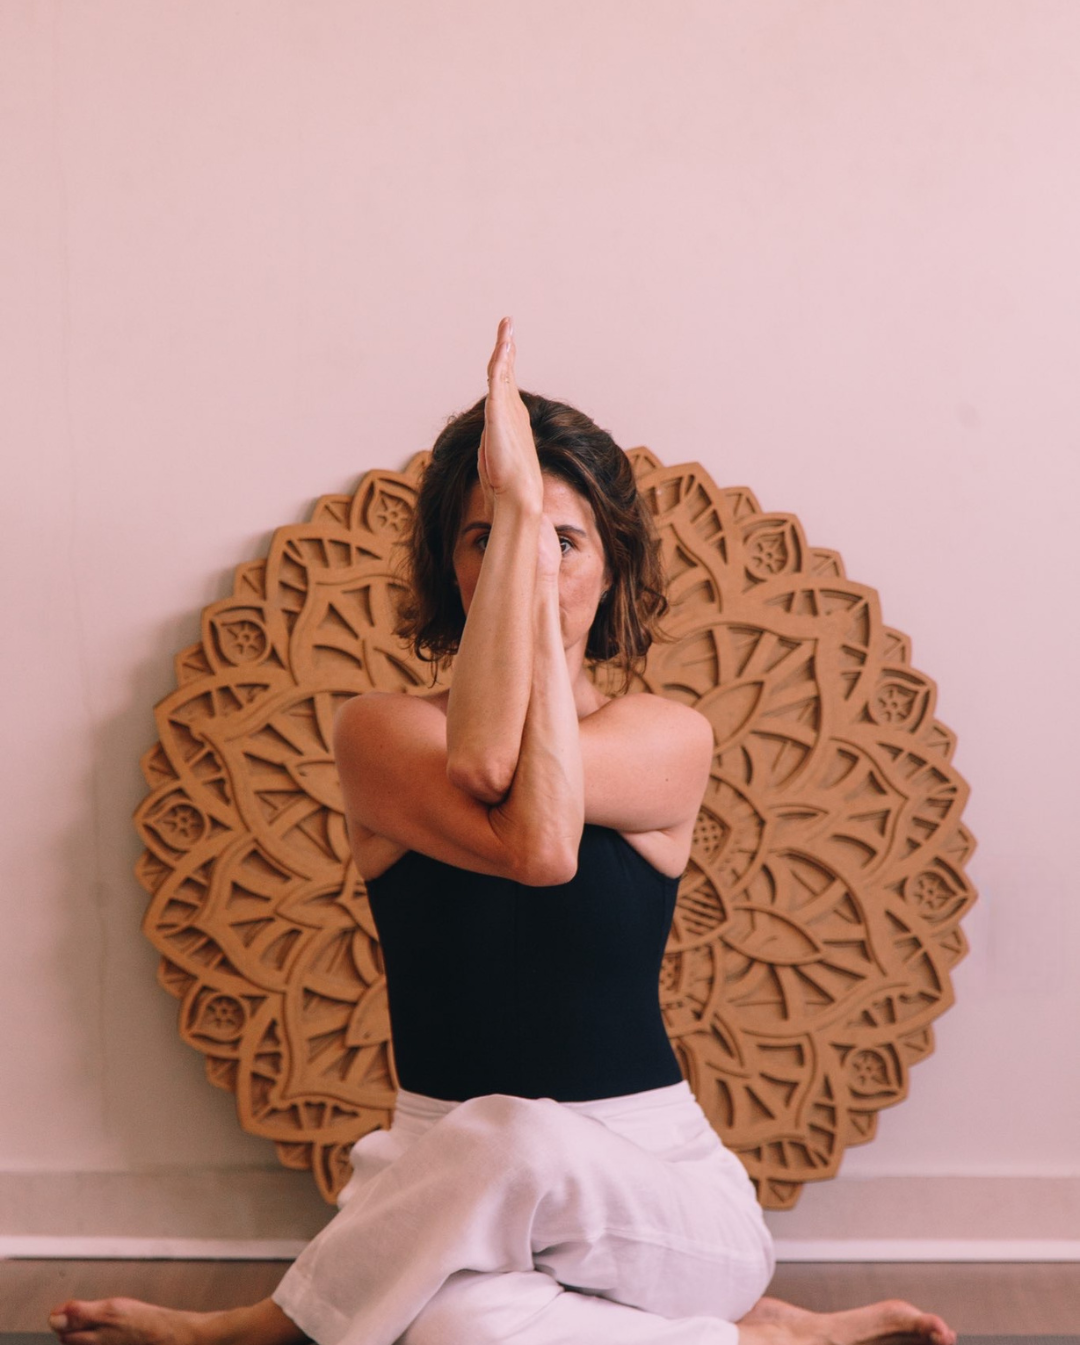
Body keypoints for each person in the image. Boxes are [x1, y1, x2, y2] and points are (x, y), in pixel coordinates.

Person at [48, 319, 957, 1345]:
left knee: (517, 1134)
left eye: (565, 542)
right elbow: (485, 764)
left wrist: (519, 523)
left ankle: (260, 1330)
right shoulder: (380, 733)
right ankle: (754, 1338)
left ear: (610, 571)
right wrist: (524, 521)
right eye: (489, 538)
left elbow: (541, 845)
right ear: (453, 568)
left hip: (657, 1194)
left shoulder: (667, 736)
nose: (529, 568)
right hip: (439, 1179)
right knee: (466, 1328)